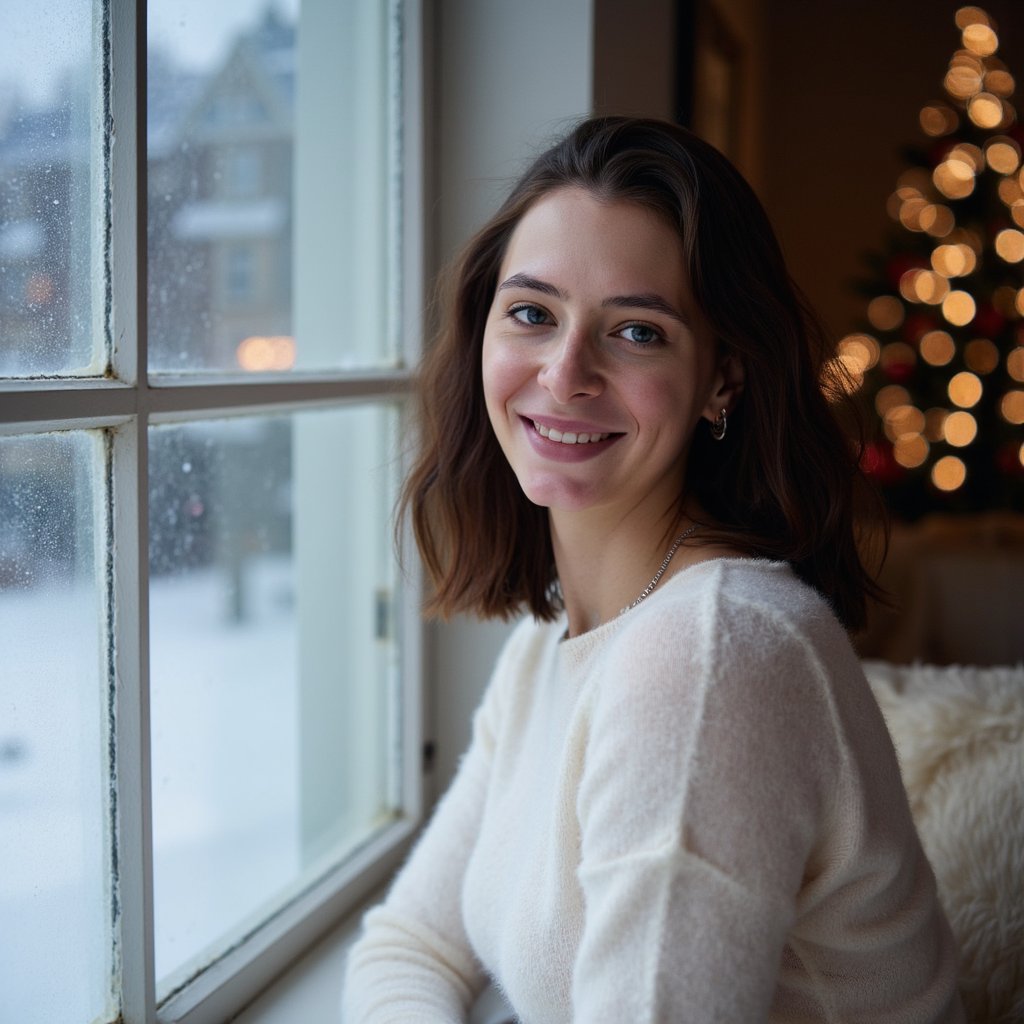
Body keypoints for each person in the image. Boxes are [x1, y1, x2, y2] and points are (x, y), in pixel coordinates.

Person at [343, 116, 964, 1022]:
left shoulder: (712, 658)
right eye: (532, 313)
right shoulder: (552, 637)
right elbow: (411, 945)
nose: (563, 375)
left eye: (636, 332)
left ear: (723, 379)